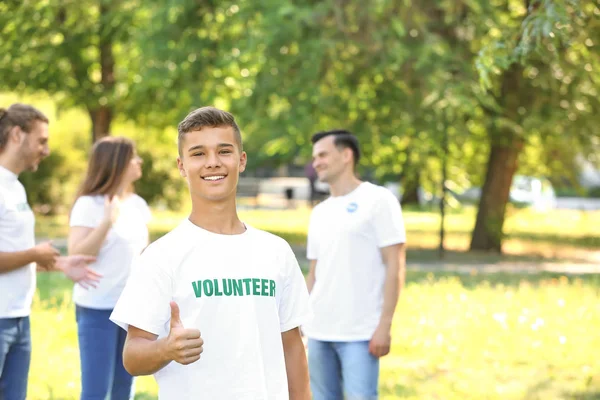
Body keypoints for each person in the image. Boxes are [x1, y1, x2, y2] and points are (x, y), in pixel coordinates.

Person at [109, 106, 311, 400]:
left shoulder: (276, 251)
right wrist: (166, 348)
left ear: (241, 161)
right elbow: (132, 355)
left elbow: (292, 347)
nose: (213, 163)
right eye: (198, 153)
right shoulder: (161, 256)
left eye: (224, 151)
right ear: (181, 166)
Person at [0, 104, 100, 400]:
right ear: (17, 135)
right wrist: (34, 254)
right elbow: (27, 253)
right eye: (41, 141)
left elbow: (17, 253)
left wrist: (60, 264)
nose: (46, 150)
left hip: (19, 318)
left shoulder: (15, 188)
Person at [304, 129, 407, 400]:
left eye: (323, 154)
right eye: (314, 157)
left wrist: (385, 325)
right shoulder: (319, 212)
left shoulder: (378, 200)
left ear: (346, 155)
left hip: (360, 333)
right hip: (318, 332)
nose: (316, 162)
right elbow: (315, 273)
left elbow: (395, 265)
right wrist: (299, 319)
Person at [68, 136, 150, 400]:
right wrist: (107, 221)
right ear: (118, 163)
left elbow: (143, 254)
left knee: (124, 389)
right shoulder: (89, 204)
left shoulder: (138, 204)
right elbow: (77, 253)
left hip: (132, 310)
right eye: (133, 156)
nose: (139, 161)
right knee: (95, 390)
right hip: (97, 309)